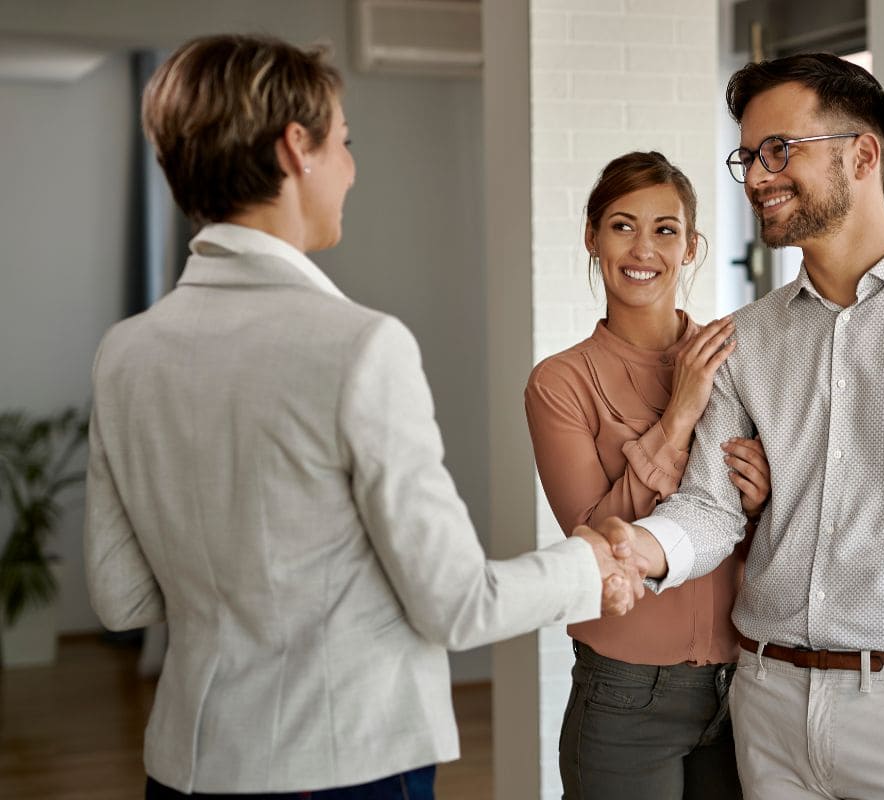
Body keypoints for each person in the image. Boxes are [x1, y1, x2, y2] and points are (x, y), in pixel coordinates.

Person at [83, 34, 643, 799]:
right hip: (341, 767)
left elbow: (122, 597)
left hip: (186, 766)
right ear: (296, 151)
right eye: (343, 142)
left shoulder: (125, 352)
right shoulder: (358, 347)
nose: (351, 168)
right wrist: (589, 565)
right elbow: (455, 604)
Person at [588, 53, 884, 800]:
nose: (755, 176)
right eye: (748, 155)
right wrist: (641, 548)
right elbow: (710, 506)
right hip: (767, 701)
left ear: (862, 154)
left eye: (780, 150)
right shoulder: (746, 336)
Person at [525, 151, 770, 799]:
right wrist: (681, 412)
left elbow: (780, 526)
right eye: (622, 224)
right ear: (591, 237)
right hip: (625, 694)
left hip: (741, 686)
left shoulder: (737, 357)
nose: (644, 248)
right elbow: (596, 543)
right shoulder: (560, 383)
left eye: (666, 229)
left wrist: (765, 499)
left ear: (691, 247)